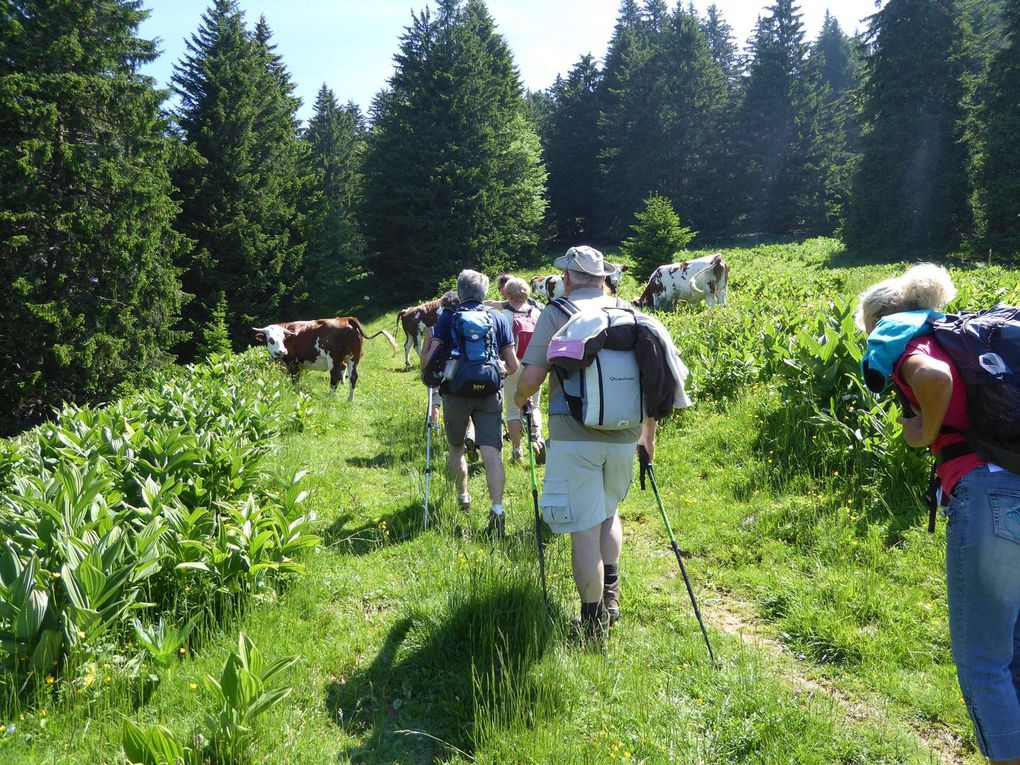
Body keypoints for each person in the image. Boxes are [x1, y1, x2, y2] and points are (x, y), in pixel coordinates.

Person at [857, 263, 1020, 765]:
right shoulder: (965, 334)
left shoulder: (905, 336)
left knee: (982, 662)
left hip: (986, 494)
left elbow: (932, 376)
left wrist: (924, 431)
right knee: (1013, 651)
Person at [515, 245, 657, 640]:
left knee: (583, 528)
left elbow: (530, 380)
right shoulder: (630, 312)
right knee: (609, 513)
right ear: (603, 278)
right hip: (625, 434)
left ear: (568, 278)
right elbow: (653, 380)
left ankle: (592, 623)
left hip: (574, 434)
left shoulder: (558, 313)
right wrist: (647, 438)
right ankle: (612, 599)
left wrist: (519, 401)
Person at [421, 270, 519, 537]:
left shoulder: (448, 317)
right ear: (485, 293)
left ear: (460, 292)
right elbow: (513, 366)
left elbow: (429, 361)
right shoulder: (498, 318)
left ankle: (463, 496)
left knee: (455, 448)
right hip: (489, 392)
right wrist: (496, 369)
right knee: (492, 453)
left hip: (455, 392)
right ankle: (497, 509)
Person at [499, 277, 545, 464]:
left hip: (513, 366)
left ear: (508, 294)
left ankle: (517, 451)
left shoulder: (504, 316)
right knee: (534, 406)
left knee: (512, 410)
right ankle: (538, 440)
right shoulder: (537, 313)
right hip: (534, 366)